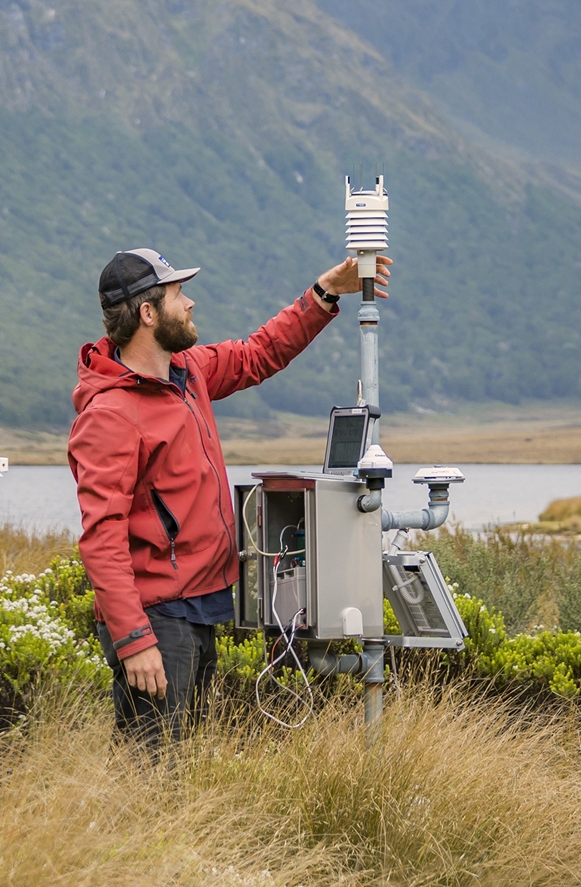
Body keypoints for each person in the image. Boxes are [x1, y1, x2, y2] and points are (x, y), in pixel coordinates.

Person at [68, 247, 391, 745]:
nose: (191, 303)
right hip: (158, 621)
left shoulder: (187, 374)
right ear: (148, 313)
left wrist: (324, 294)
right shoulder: (110, 415)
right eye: (178, 295)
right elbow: (101, 539)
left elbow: (259, 353)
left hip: (199, 608)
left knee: (185, 773)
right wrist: (134, 641)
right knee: (152, 776)